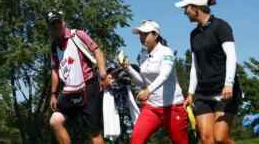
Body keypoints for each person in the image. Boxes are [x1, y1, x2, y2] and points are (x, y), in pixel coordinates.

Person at [176, 0, 241, 144]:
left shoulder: (221, 26)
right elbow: (195, 64)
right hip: (203, 93)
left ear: (195, 8)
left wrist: (229, 83)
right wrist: (191, 92)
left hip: (225, 90)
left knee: (220, 138)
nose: (184, 12)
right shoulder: (194, 35)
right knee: (206, 139)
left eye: (186, 8)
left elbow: (231, 56)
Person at [48, 10, 111, 144]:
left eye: (58, 23)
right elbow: (54, 70)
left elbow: (98, 51)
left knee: (93, 132)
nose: (56, 27)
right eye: (53, 25)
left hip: (88, 88)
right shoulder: (54, 47)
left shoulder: (77, 35)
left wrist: (103, 73)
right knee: (55, 121)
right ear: (50, 29)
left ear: (63, 23)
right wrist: (53, 94)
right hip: (69, 92)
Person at [122, 20, 189, 144]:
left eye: (145, 34)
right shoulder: (142, 54)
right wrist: (128, 68)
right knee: (136, 140)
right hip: (152, 108)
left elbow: (164, 75)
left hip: (173, 107)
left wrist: (148, 91)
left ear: (155, 35)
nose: (141, 37)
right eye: (140, 34)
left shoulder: (166, 52)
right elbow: (142, 82)